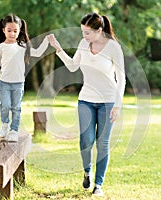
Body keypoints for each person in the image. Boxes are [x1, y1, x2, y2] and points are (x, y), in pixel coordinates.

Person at [48, 13, 126, 196]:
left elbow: (121, 79)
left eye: (88, 32)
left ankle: (98, 184)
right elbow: (73, 66)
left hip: (108, 101)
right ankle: (87, 171)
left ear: (100, 31)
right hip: (86, 100)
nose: (84, 36)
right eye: (82, 31)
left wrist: (118, 105)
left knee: (103, 143)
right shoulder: (84, 45)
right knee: (86, 140)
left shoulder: (114, 48)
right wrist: (58, 48)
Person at [0, 13, 50, 142]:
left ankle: (14, 130)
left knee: (16, 108)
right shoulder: (0, 47)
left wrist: (46, 41)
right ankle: (5, 124)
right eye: (9, 30)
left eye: (15, 31)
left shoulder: (23, 46)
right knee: (5, 106)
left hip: (18, 83)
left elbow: (38, 52)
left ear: (19, 31)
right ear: (3, 30)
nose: (12, 33)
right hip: (4, 83)